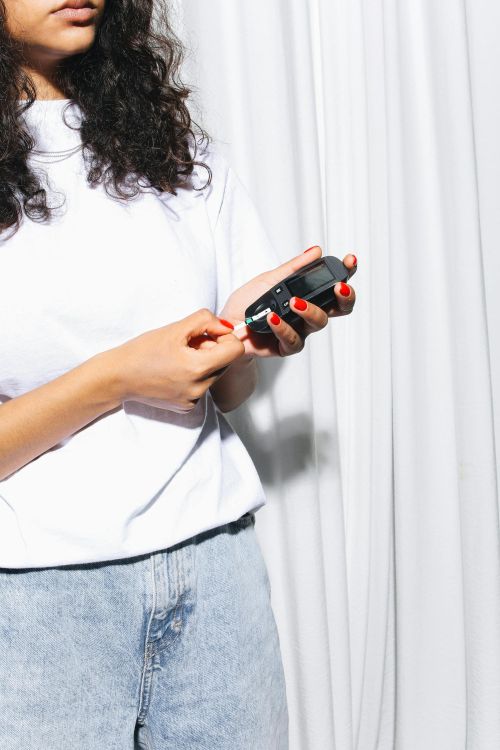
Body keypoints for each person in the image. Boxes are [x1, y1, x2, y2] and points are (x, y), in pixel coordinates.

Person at [0, 1, 357, 748]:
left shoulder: (171, 145)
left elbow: (226, 394)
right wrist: (120, 377)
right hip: (36, 600)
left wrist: (241, 339)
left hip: (215, 568)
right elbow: (139, 375)